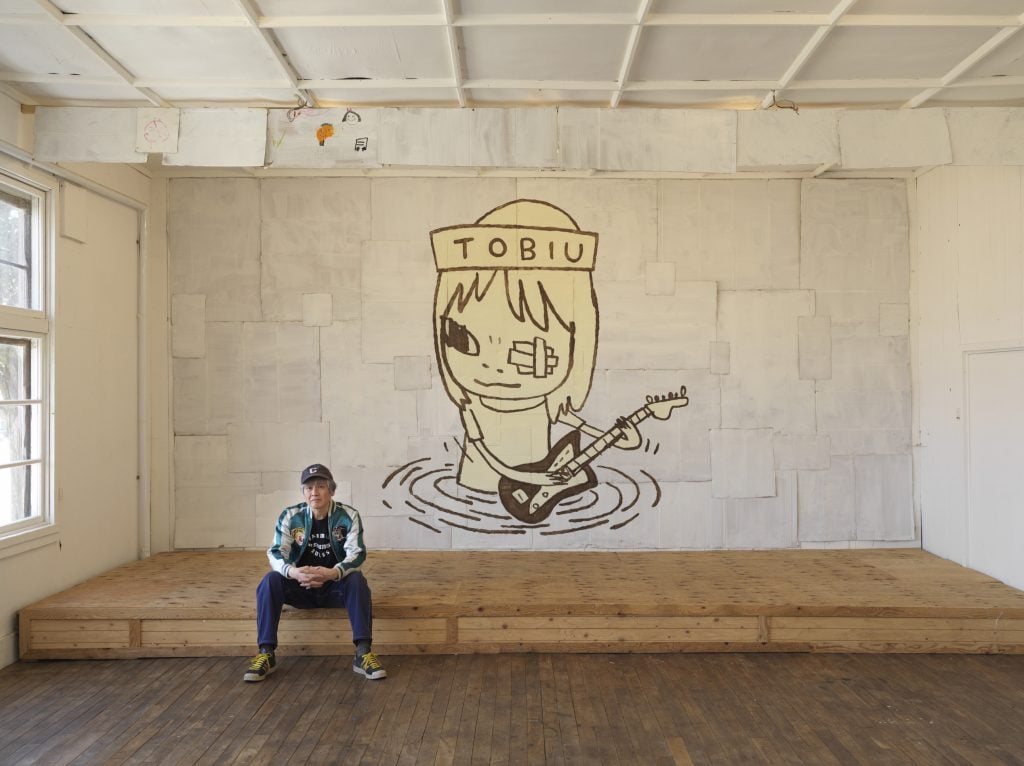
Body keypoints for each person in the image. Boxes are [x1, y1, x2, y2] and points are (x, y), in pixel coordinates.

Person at [244, 463, 386, 682]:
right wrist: (294, 573)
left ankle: (363, 653)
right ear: (303, 492)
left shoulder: (348, 516)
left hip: (334, 587)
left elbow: (357, 555)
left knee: (357, 581)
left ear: (331, 490)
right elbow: (275, 552)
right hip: (300, 586)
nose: (314, 492)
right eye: (309, 488)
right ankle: (266, 653)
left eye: (321, 486)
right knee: (270, 581)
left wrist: (331, 573)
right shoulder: (291, 516)